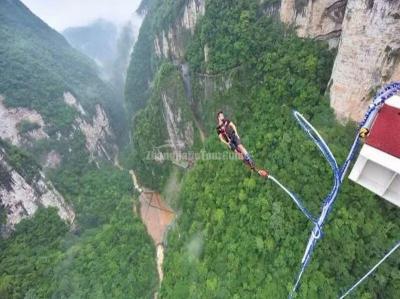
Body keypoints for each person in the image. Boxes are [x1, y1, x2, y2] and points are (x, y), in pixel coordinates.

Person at [216, 111, 268, 177]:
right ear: (218, 117)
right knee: (238, 154)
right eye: (221, 116)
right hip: (229, 141)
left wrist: (236, 134)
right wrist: (227, 143)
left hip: (233, 136)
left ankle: (250, 159)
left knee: (241, 147)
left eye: (223, 115)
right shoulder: (218, 128)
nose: (223, 117)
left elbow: (233, 125)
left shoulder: (226, 121)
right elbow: (221, 138)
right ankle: (249, 165)